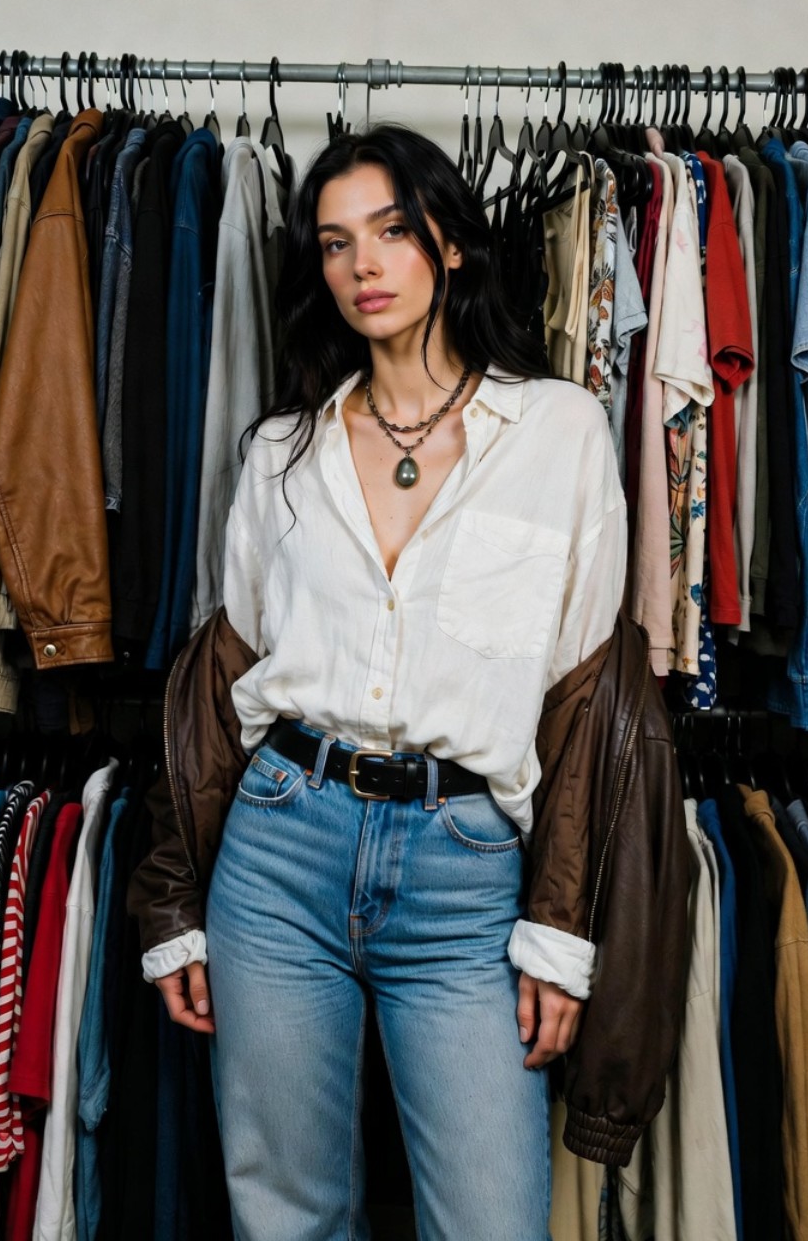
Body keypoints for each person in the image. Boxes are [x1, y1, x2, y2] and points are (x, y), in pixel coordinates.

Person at [140, 125, 627, 1240]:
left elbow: (585, 705)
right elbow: (223, 690)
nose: (362, 264)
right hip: (277, 851)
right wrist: (173, 900)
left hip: (464, 875)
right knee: (289, 1216)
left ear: (450, 243)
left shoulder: (560, 434)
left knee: (492, 1219)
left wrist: (559, 932)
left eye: (393, 231)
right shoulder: (281, 454)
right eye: (333, 243)